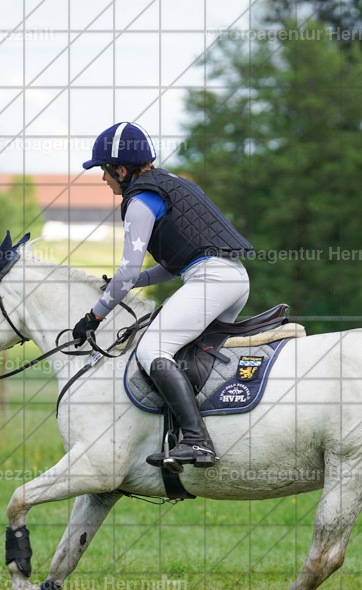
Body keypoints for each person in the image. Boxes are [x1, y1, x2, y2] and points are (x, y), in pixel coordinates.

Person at [73, 121, 254, 470]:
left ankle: (198, 442)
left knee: (152, 349)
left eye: (104, 172)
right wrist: (134, 282)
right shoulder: (177, 186)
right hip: (232, 279)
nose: (103, 179)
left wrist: (94, 316)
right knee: (183, 354)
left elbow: (126, 271)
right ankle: (191, 433)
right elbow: (173, 266)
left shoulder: (141, 201)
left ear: (121, 170)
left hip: (211, 282)